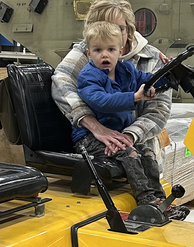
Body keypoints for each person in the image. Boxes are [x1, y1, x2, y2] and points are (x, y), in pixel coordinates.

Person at [51, 0, 171, 162]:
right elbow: (61, 82)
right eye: (105, 27)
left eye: (119, 28)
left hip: (143, 154)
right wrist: (94, 126)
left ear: (129, 29)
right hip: (99, 153)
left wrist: (128, 137)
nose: (112, 33)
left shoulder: (153, 58)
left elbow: (159, 110)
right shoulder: (88, 51)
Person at [72, 20, 168, 206]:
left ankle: (160, 198)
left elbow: (150, 80)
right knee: (130, 153)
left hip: (116, 134)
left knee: (147, 152)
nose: (105, 55)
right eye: (98, 50)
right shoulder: (88, 77)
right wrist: (134, 97)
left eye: (111, 50)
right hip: (90, 138)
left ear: (121, 52)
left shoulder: (127, 70)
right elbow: (102, 102)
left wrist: (169, 73)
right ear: (88, 53)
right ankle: (146, 200)